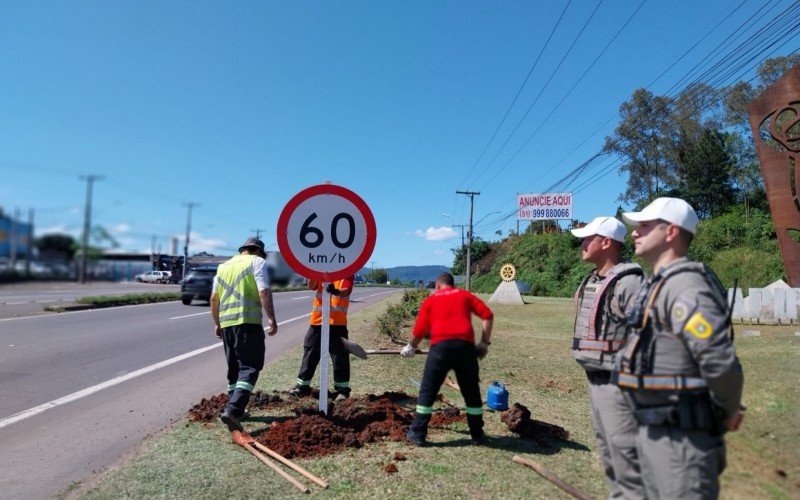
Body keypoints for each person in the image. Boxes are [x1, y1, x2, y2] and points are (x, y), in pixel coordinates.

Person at [615, 197, 744, 499]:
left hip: (682, 440)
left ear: (671, 232)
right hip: (655, 430)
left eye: (644, 226)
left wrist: (727, 411)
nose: (635, 232)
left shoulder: (685, 288)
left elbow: (719, 359)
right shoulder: (658, 283)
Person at [571, 217, 645, 500]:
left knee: (625, 456)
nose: (583, 243)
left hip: (620, 383)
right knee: (610, 452)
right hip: (596, 380)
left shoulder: (630, 283)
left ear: (606, 242)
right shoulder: (592, 279)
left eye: (589, 238)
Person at [402, 272, 493, 446]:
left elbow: (420, 329)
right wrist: (483, 343)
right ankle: (477, 435)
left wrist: (411, 346)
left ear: (437, 286)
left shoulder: (431, 300)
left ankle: (417, 434)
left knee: (428, 392)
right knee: (472, 394)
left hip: (440, 349)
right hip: (465, 349)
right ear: (452, 285)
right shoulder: (465, 295)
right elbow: (487, 315)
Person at [211, 237, 278, 432]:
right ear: (257, 250)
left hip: (227, 325)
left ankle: (235, 409)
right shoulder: (257, 262)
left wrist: (217, 323)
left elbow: (214, 298)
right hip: (247, 323)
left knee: (234, 369)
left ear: (243, 249)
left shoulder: (223, 267)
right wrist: (272, 318)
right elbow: (263, 291)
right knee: (250, 366)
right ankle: (233, 410)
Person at [289, 275, 355, 402]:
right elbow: (311, 285)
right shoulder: (319, 270)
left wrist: (335, 291)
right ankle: (302, 386)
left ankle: (342, 390)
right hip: (317, 321)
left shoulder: (346, 272)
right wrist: (315, 273)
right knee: (310, 352)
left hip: (337, 323)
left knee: (339, 356)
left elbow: (346, 290)